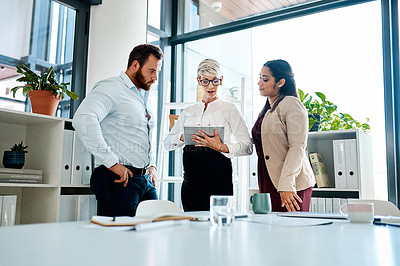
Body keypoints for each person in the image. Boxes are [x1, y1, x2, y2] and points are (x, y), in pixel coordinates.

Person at [72, 44, 163, 217]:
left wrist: (152, 165)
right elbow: (83, 118)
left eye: (157, 72)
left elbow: (143, 134)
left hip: (144, 180)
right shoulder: (112, 87)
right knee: (120, 240)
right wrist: (112, 163)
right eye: (152, 71)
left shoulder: (143, 96)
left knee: (152, 233)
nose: (155, 78)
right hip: (119, 178)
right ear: (135, 65)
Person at [164, 59, 253, 211]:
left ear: (221, 80)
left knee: (219, 228)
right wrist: (182, 137)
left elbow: (247, 146)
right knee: (192, 227)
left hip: (219, 183)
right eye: (205, 81)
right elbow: (167, 143)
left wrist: (221, 146)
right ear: (198, 80)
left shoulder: (230, 109)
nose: (211, 86)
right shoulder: (188, 111)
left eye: (215, 81)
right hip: (190, 184)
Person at [252, 59, 316, 212]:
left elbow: (298, 146)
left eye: (265, 79)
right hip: (269, 179)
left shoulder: (292, 104)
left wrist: (288, 182)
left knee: (292, 232)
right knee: (272, 231)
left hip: (290, 181)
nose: (259, 83)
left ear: (280, 82)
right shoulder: (268, 109)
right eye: (260, 77)